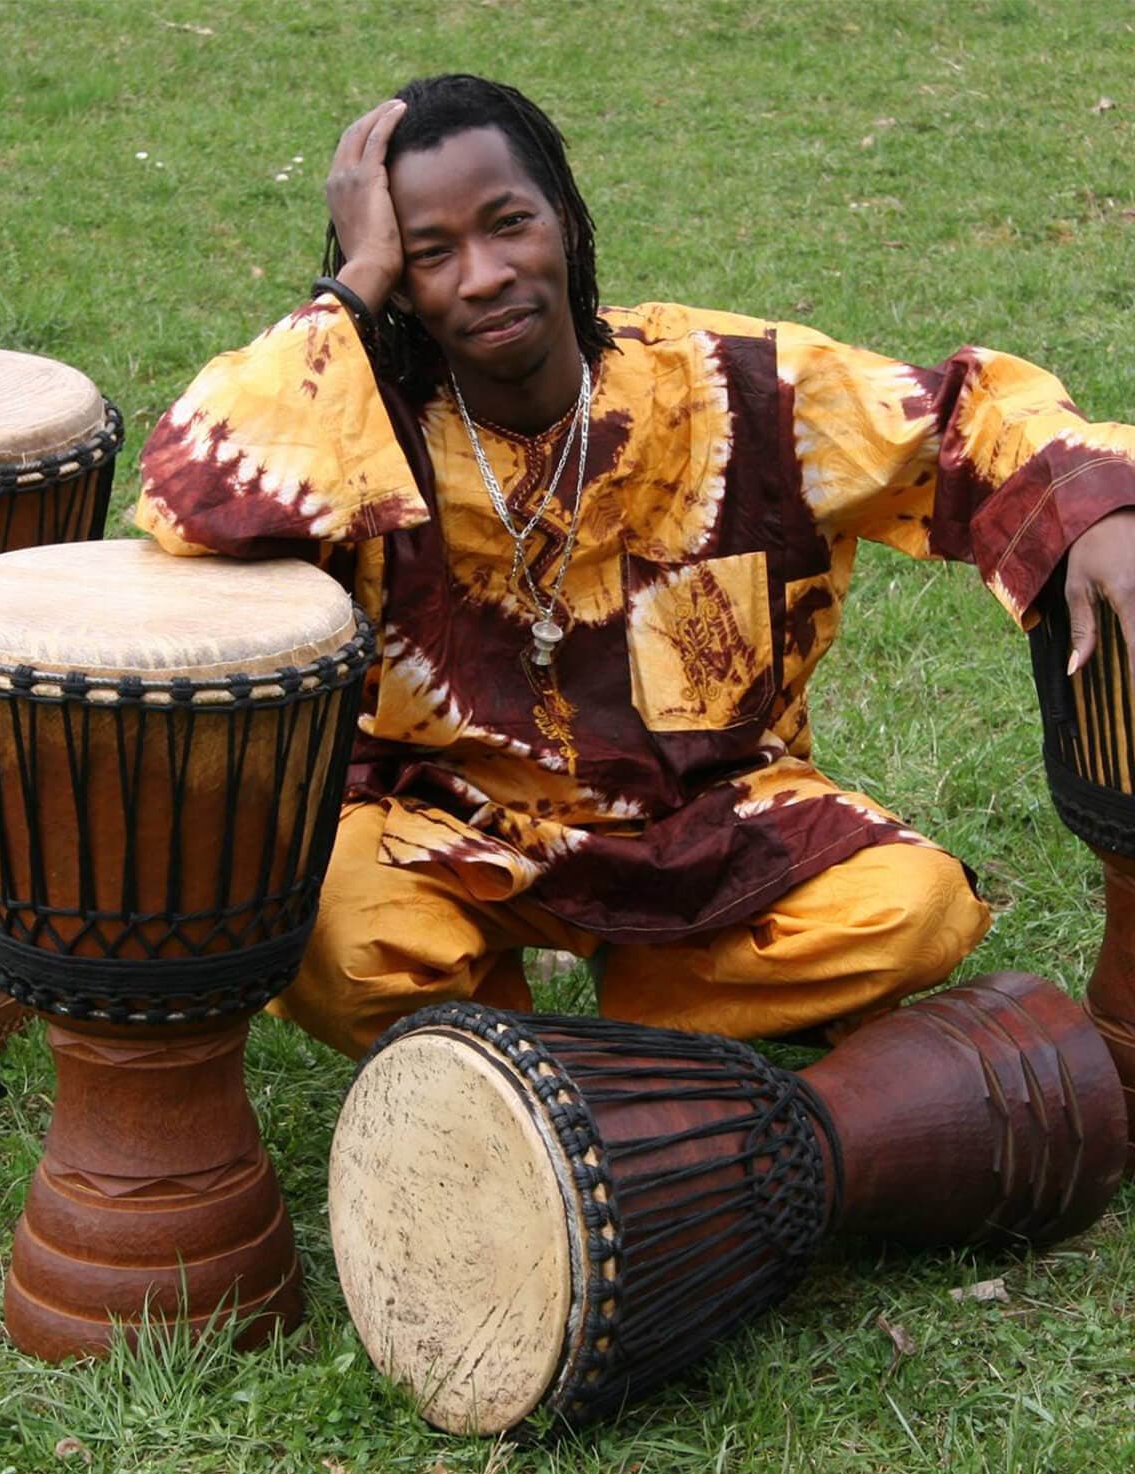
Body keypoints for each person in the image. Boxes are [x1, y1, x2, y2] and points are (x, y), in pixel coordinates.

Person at [136, 73, 1135, 1060]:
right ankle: (533, 1034)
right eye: (431, 253)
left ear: (565, 220)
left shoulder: (734, 386)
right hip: (439, 827)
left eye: (507, 223)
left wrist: (1094, 499)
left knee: (913, 911)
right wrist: (350, 283)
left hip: (703, 823)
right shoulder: (359, 423)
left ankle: (572, 1032)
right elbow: (195, 489)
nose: (482, 273)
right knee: (329, 936)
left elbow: (962, 419)